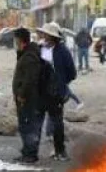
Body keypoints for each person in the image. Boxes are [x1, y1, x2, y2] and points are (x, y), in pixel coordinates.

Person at [37, 21, 76, 162]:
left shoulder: (63, 51)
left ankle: (60, 150)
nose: (45, 37)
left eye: (47, 35)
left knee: (57, 122)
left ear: (53, 37)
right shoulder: (39, 49)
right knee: (37, 120)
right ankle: (31, 151)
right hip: (40, 91)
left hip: (56, 93)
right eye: (44, 34)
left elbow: (72, 73)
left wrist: (61, 83)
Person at [12, 27, 43, 164]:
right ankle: (26, 151)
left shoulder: (30, 56)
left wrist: (22, 94)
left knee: (29, 125)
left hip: (29, 99)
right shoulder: (25, 53)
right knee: (24, 125)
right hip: (24, 98)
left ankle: (31, 154)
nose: (14, 43)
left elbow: (30, 79)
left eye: (16, 40)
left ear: (20, 40)